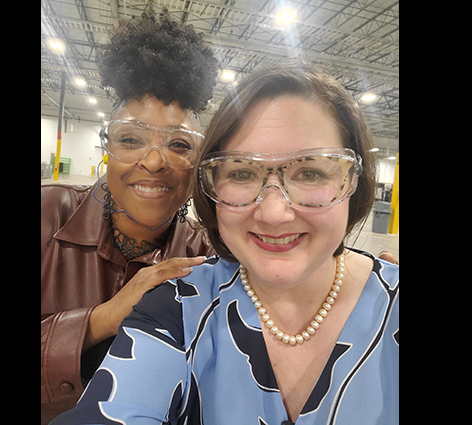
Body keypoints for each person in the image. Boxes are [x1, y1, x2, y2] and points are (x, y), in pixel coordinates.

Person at [52, 62, 399, 425]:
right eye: (243, 173)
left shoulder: (196, 249)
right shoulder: (178, 304)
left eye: (310, 172)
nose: (273, 212)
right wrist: (102, 319)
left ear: (354, 181)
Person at [40, 9, 220, 423]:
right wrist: (102, 319)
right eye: (130, 140)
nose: (154, 162)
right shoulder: (48, 215)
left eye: (178, 144)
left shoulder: (208, 254)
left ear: (198, 162)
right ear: (108, 149)